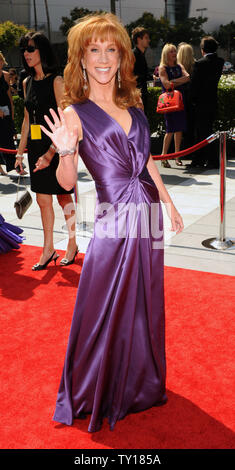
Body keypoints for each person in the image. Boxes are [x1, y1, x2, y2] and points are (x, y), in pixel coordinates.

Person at [41, 13, 184, 433]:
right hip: (113, 217)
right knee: (100, 305)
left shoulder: (133, 103)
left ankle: (140, 380)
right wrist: (66, 151)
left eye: (111, 49)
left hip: (147, 215)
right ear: (81, 59)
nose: (103, 58)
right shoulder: (74, 112)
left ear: (121, 56)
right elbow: (67, 183)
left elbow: (147, 161)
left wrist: (168, 201)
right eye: (94, 50)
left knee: (143, 302)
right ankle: (90, 386)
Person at [15, 32, 78, 270]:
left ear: (42, 51)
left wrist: (51, 154)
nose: (26, 54)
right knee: (42, 200)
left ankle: (72, 243)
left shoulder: (56, 81)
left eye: (30, 49)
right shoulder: (26, 82)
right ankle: (49, 248)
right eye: (24, 50)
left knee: (63, 197)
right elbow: (26, 120)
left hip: (58, 148)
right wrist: (20, 153)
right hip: (36, 148)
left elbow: (65, 121)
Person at [189, 36, 224, 169]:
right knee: (208, 130)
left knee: (202, 132)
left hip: (201, 103)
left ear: (203, 49)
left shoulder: (200, 64)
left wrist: (192, 100)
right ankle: (201, 159)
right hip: (212, 101)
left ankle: (208, 160)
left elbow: (194, 85)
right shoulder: (220, 61)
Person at [159, 43, 190, 168]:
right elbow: (166, 85)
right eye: (171, 51)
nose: (174, 53)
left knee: (179, 129)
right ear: (166, 54)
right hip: (169, 103)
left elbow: (188, 77)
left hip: (180, 101)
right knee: (170, 129)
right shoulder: (162, 68)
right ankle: (164, 156)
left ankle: (178, 156)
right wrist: (177, 81)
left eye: (174, 51)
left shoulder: (179, 66)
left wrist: (173, 82)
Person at [177, 42, 196, 150]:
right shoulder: (195, 65)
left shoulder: (176, 67)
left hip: (179, 99)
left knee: (179, 126)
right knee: (191, 125)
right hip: (191, 100)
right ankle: (190, 148)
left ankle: (179, 151)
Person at [0, 52, 16, 175]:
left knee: (9, 137)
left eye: (1, 60)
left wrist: (12, 110)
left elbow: (9, 95)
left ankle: (13, 165)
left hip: (6, 109)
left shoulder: (6, 75)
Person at [132, 27, 150, 113]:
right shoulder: (133, 55)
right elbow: (133, 76)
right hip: (137, 96)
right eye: (146, 38)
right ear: (139, 39)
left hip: (141, 94)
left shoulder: (141, 55)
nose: (149, 40)